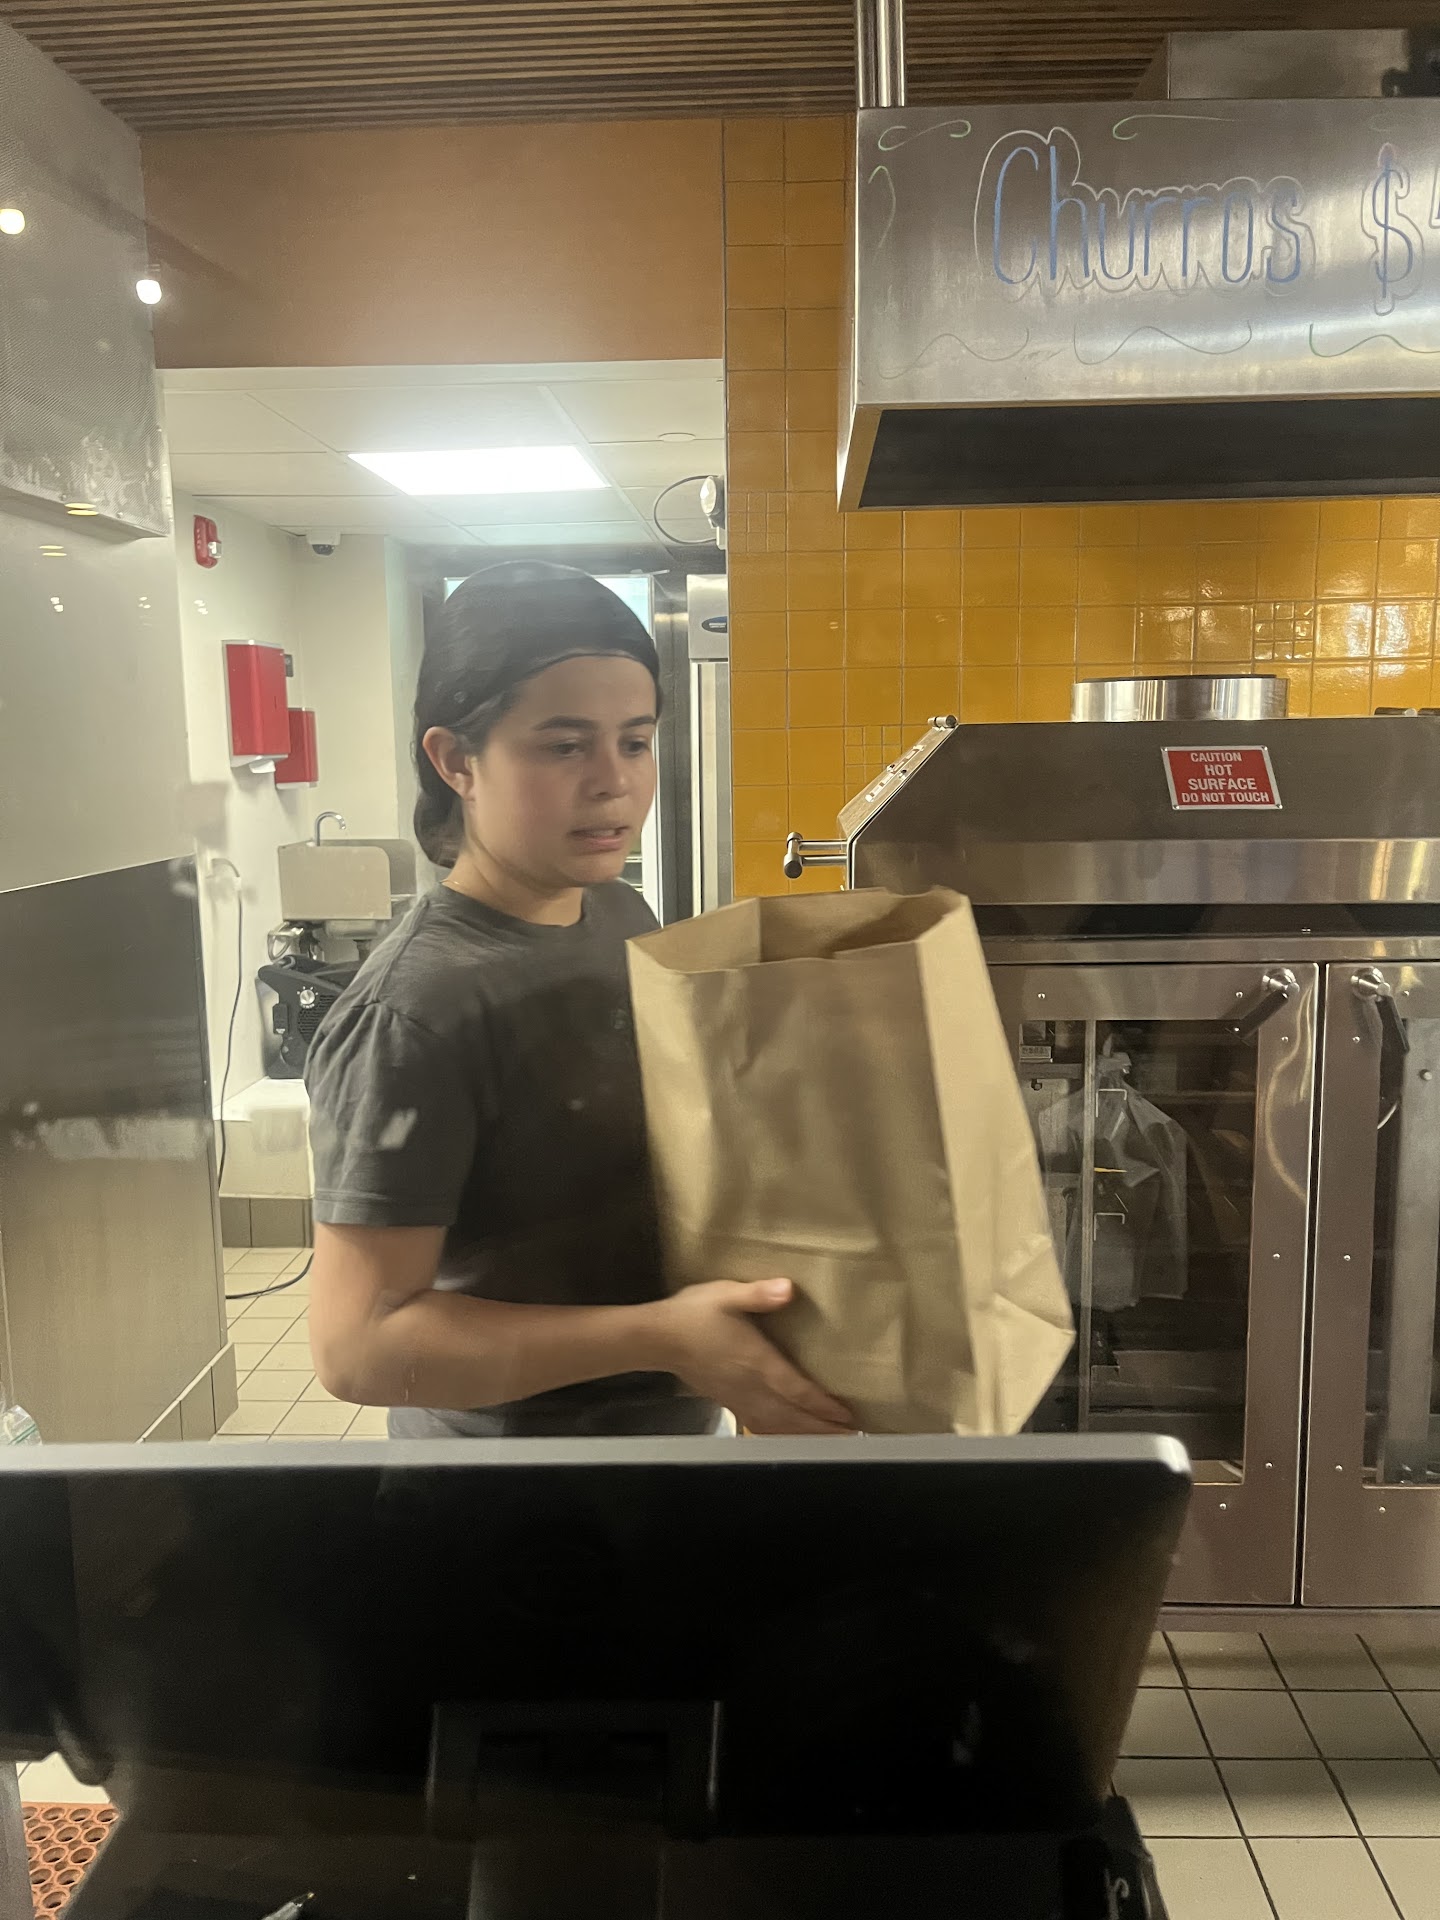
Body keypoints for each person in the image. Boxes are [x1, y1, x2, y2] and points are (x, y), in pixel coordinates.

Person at [305, 560, 853, 1440]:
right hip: (515, 1493)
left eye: (634, 742)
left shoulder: (618, 911)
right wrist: (661, 1338)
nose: (613, 781)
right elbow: (358, 1347)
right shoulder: (415, 1011)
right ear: (455, 761)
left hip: (658, 1444)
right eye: (564, 747)